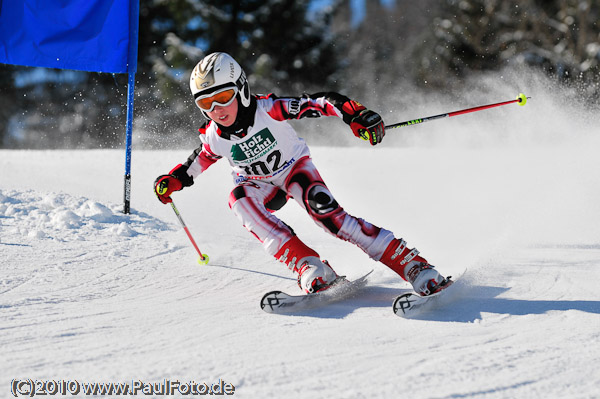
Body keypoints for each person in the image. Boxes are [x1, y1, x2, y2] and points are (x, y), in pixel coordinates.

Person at [154, 52, 449, 295]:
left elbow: (318, 102)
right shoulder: (214, 135)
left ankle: (413, 265)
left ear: (241, 89)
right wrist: (175, 180)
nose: (216, 109)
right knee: (238, 198)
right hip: (258, 186)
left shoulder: (267, 109)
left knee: (331, 219)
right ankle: (309, 266)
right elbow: (200, 160)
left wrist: (355, 114)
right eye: (206, 103)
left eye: (223, 97)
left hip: (294, 170)